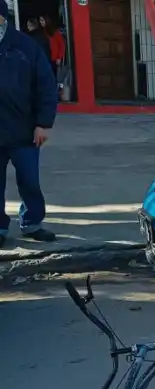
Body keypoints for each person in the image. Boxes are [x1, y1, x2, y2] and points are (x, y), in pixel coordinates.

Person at [0, 1, 58, 246]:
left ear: (2, 18)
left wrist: (43, 124)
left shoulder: (26, 46)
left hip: (24, 130)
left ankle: (32, 222)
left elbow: (46, 86)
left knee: (29, 181)